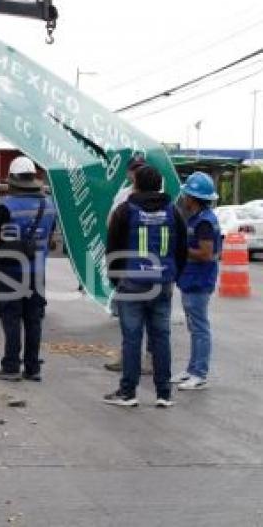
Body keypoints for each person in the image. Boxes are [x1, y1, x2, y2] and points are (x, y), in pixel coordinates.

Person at [103, 165, 187, 408]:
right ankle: (163, 393)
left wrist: (115, 280)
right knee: (161, 337)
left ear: (136, 184)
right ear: (160, 185)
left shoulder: (125, 211)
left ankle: (128, 393)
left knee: (132, 338)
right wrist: (173, 275)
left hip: (131, 283)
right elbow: (181, 248)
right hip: (162, 282)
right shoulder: (173, 211)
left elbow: (113, 249)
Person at [0, 156, 57, 382]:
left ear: (13, 180)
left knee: (11, 317)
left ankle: (10, 367)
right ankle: (32, 368)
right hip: (37, 272)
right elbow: (50, 238)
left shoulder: (7, 204)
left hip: (11, 271)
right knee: (34, 319)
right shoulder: (49, 205)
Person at [105, 154, 154, 374]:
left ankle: (151, 362)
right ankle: (128, 359)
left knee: (153, 321)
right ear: (128, 173)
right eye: (134, 169)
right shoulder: (123, 196)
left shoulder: (160, 198)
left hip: (152, 268)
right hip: (129, 264)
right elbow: (110, 225)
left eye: (141, 169)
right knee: (130, 320)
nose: (137, 173)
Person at [173, 172, 221, 391]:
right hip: (191, 279)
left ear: (193, 197)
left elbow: (205, 254)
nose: (184, 197)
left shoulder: (204, 222)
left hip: (199, 281)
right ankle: (192, 369)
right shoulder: (199, 218)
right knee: (195, 327)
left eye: (186, 194)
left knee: (200, 328)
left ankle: (199, 373)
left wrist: (181, 249)